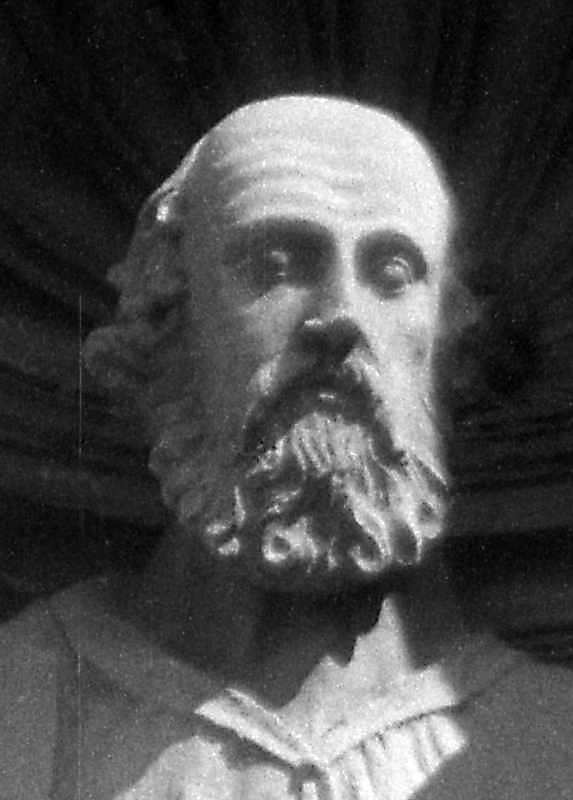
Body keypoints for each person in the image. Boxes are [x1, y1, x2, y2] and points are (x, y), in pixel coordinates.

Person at [1, 95, 571, 799]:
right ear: (170, 322)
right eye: (274, 266)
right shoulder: (21, 703)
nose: (338, 317)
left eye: (392, 275)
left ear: (450, 347)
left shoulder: (551, 742)